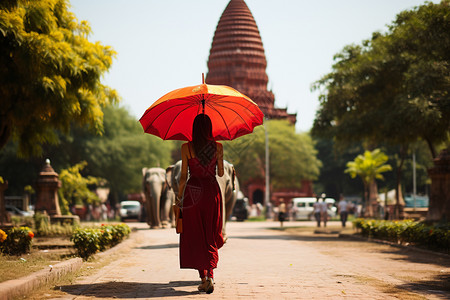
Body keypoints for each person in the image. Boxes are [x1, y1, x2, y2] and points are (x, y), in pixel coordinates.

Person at [177, 114, 224, 294]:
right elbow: (220, 173)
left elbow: (183, 176)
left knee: (196, 234)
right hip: (212, 193)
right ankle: (211, 275)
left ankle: (203, 278)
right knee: (210, 233)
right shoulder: (218, 147)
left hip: (193, 193)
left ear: (194, 129)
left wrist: (179, 198)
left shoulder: (186, 147)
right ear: (210, 128)